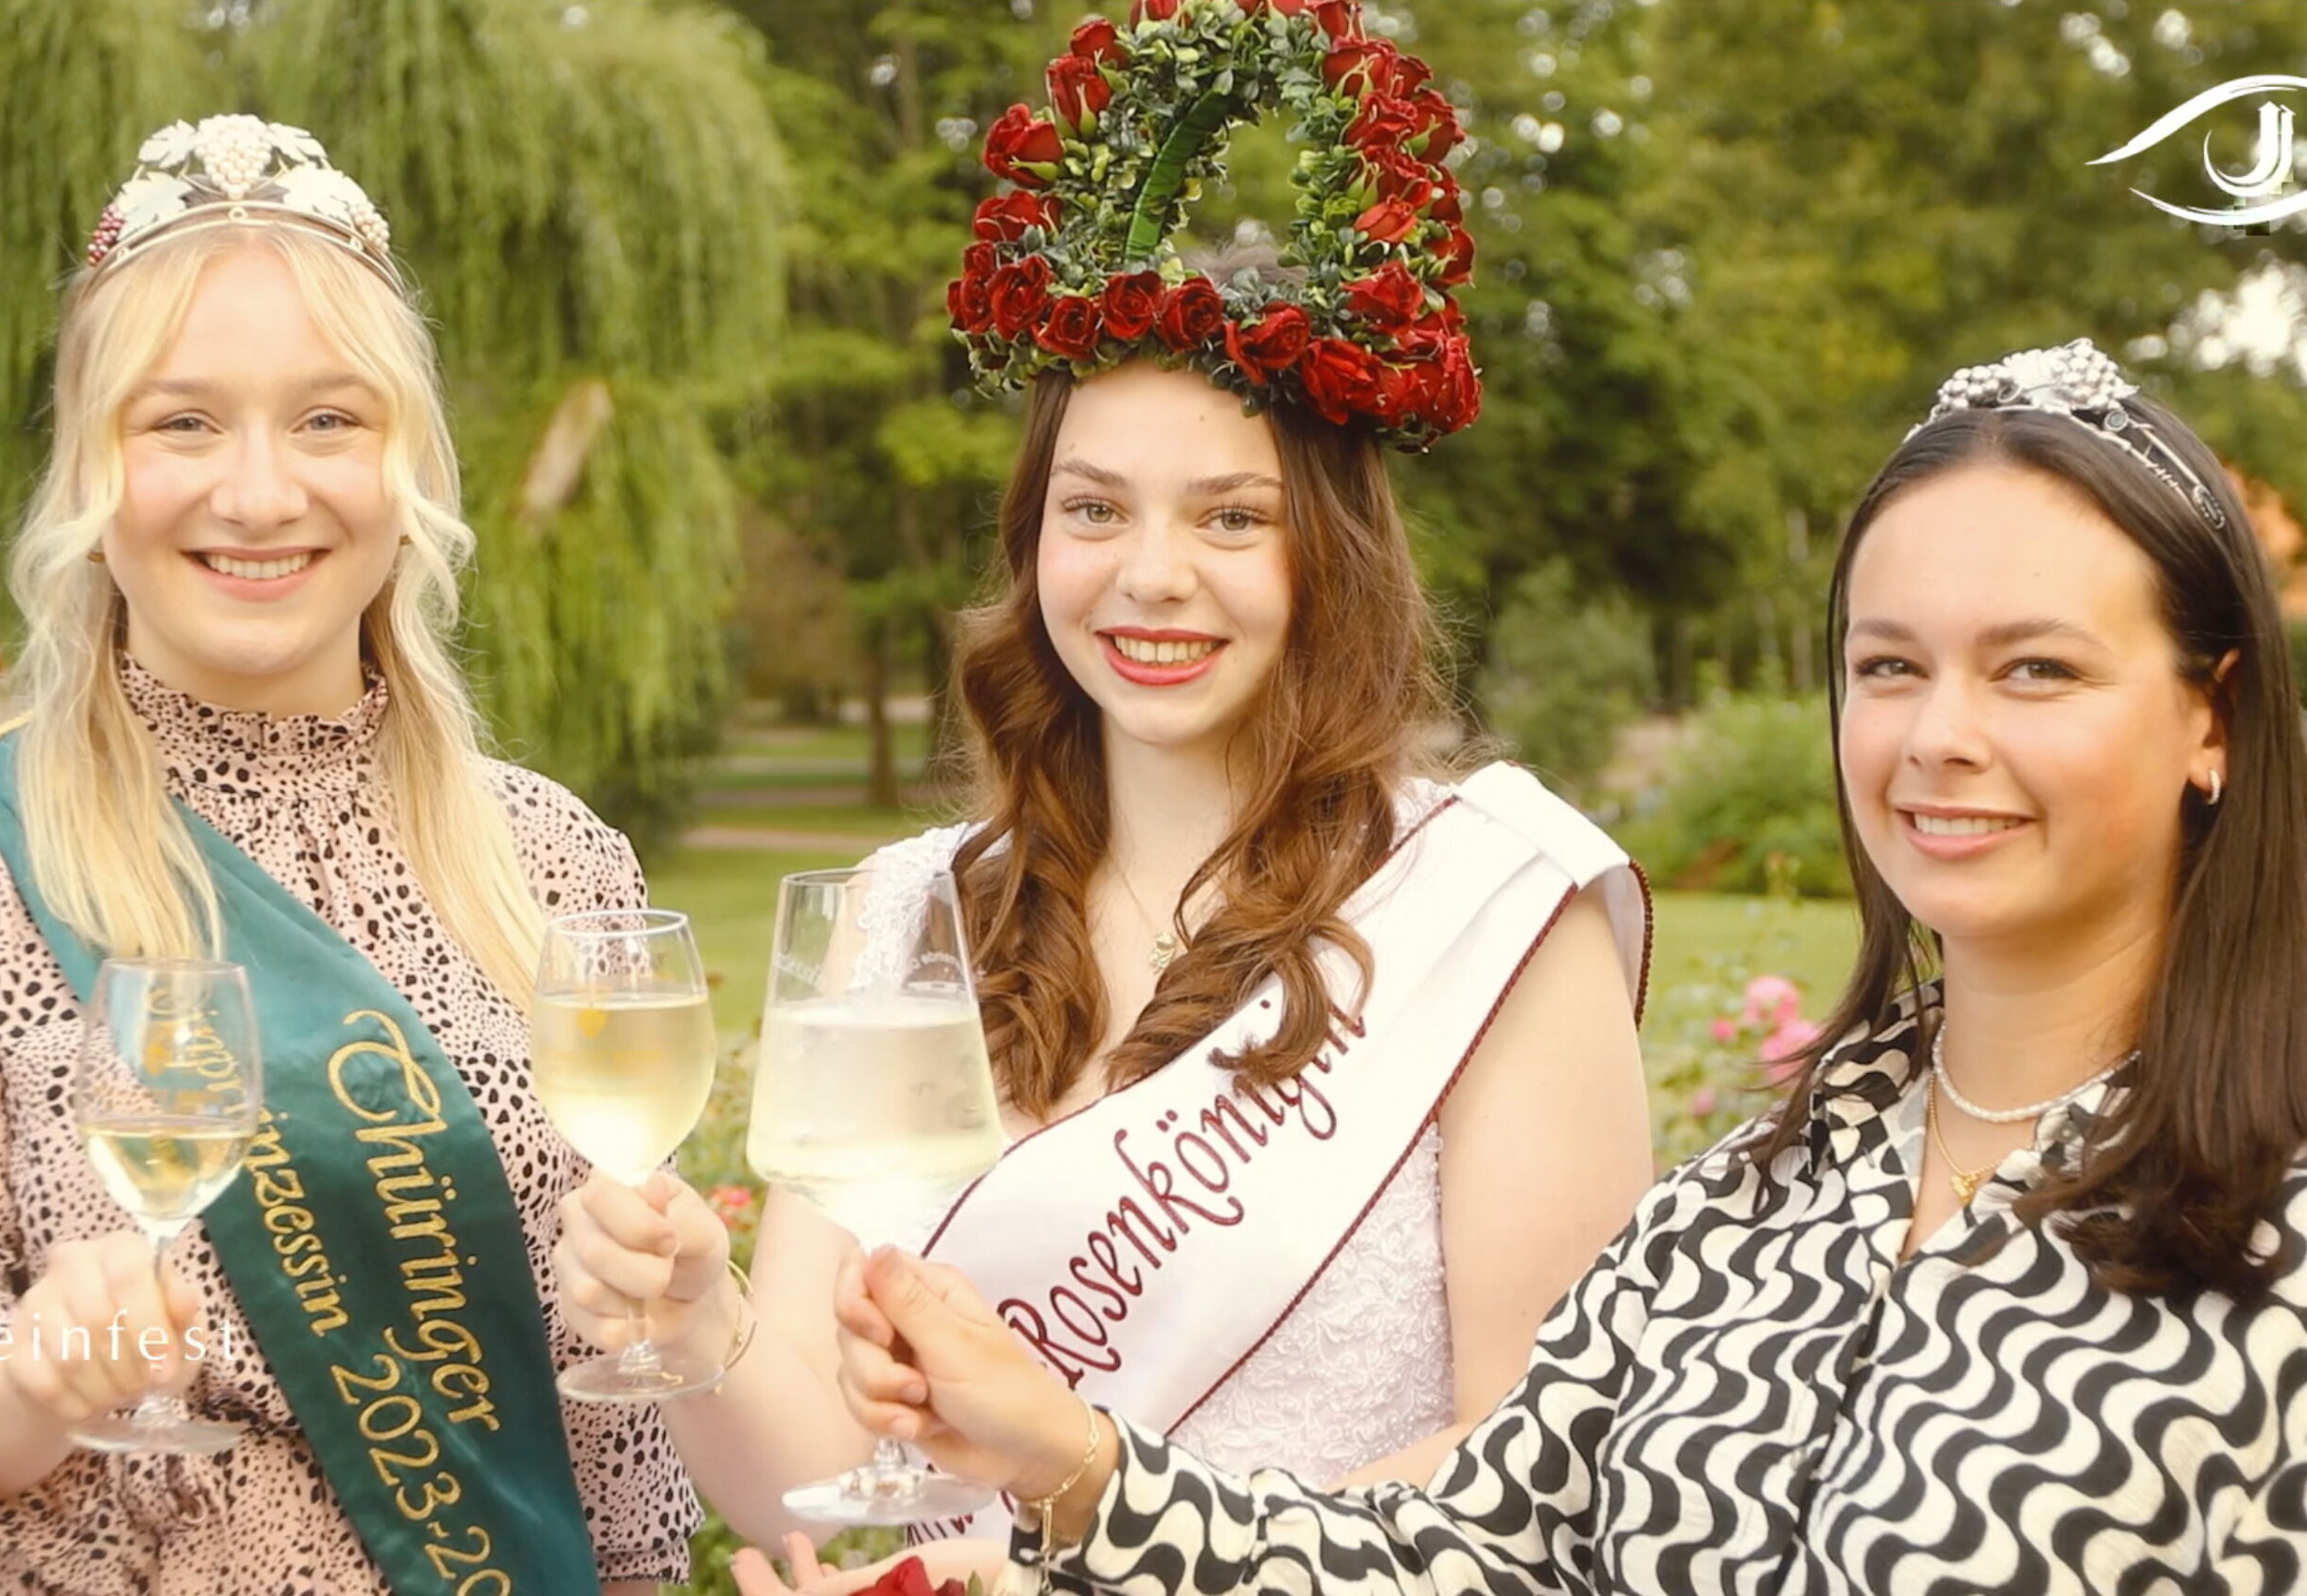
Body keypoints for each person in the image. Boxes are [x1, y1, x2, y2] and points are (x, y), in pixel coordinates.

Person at [827, 337, 2307, 1592]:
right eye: (1889, 665)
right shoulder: (1751, 1197)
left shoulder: (2280, 1229)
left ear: (2214, 720)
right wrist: (1077, 1465)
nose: (1939, 738)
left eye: (2035, 667)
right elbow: (1477, 1544)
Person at [550, 3, 1654, 1587]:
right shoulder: (905, 911)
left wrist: (1090, 1562)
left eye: (1228, 517)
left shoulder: (1491, 910)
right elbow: (824, 1490)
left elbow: (1538, 1465)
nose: (1151, 576)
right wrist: (703, 1320)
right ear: (1032, 544)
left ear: (1328, 558)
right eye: (1095, 509)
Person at [0, 115, 698, 1592]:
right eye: (183, 421)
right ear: (94, 471)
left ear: (408, 468)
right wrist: (27, 1377)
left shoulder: (557, 860)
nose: (261, 492)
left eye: (331, 420)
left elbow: (619, 1453)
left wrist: (686, 1318)